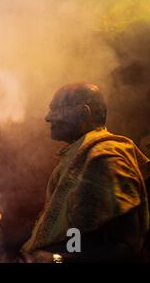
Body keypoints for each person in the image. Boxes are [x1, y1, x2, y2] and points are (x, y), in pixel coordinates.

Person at [21, 83, 149, 263]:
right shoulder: (79, 156)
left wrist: (57, 258)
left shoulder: (106, 158)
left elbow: (127, 247)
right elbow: (79, 236)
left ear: (83, 112)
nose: (47, 118)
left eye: (54, 109)